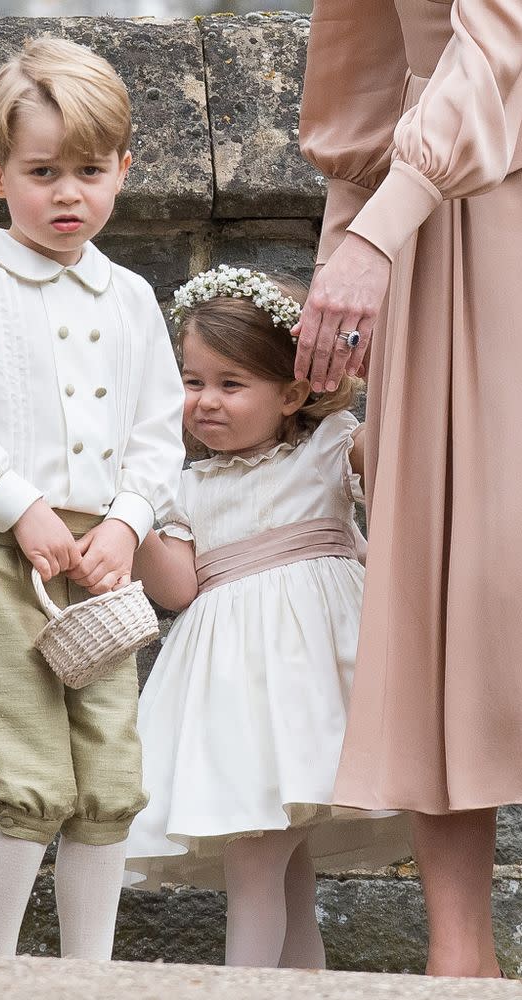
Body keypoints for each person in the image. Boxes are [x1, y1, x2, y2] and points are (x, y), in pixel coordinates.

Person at [0, 37, 185, 959]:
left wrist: (128, 523)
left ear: (123, 171)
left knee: (107, 778)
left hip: (103, 563)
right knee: (29, 780)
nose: (69, 193)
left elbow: (157, 430)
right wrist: (19, 505)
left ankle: (86, 976)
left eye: (90, 170)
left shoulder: (134, 297)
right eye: (43, 170)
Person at [295, 0, 522, 979]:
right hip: (444, 240)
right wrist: (345, 255)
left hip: (460, 221)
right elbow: (366, 66)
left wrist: (376, 233)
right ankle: (458, 962)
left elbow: (502, 41)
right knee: (442, 586)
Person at [123, 266, 409, 969]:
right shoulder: (183, 484)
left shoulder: (328, 448)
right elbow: (178, 589)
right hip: (236, 699)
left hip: (315, 688)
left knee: (262, 871)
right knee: (275, 873)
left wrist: (369, 358)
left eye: (230, 384)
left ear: (290, 392)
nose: (206, 402)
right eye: (193, 382)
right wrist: (126, 519)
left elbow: (405, 445)